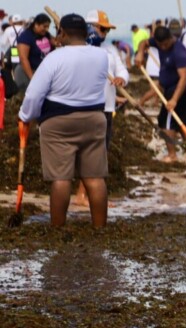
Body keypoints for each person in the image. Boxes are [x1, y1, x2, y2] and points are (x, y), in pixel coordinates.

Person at [19, 14, 109, 227]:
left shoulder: (54, 57)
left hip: (59, 121)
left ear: (63, 33)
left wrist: (25, 116)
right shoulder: (101, 56)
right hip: (95, 119)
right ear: (86, 33)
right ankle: (100, 228)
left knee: (61, 178)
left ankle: (58, 229)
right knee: (95, 178)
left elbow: (34, 94)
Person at [75, 9, 129, 207]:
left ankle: (86, 195)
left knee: (101, 152)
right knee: (88, 152)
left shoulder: (110, 50)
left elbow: (122, 70)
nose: (105, 33)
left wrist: (122, 78)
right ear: (90, 27)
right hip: (86, 107)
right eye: (102, 29)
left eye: (107, 30)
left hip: (106, 107)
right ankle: (83, 196)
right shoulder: (79, 49)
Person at [135, 25, 186, 163]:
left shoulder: (179, 51)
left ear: (171, 38)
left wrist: (173, 99)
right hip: (168, 87)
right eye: (161, 45)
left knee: (167, 124)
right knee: (182, 123)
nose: (164, 47)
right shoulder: (158, 42)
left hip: (179, 89)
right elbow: (144, 42)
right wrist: (140, 53)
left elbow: (184, 78)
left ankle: (172, 155)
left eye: (166, 44)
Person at [14, 13, 54, 92]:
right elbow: (23, 58)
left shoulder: (46, 35)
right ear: (36, 25)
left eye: (48, 27)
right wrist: (32, 78)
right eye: (44, 26)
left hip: (41, 72)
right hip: (26, 72)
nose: (47, 29)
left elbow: (56, 43)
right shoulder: (26, 36)